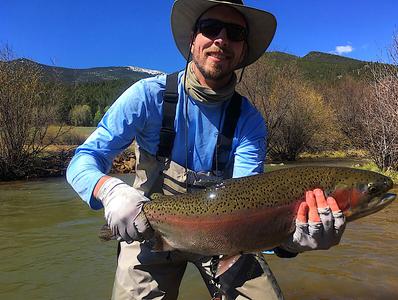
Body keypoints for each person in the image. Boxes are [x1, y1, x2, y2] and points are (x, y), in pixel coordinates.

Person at [67, 0, 346, 299]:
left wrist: (289, 241)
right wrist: (110, 191)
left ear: (242, 50)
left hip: (226, 235)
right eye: (211, 28)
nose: (221, 40)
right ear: (192, 39)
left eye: (235, 33)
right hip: (149, 228)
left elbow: (250, 209)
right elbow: (82, 161)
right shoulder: (147, 97)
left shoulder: (249, 121)